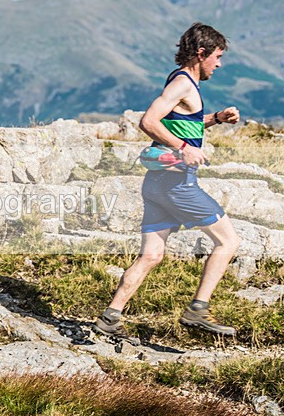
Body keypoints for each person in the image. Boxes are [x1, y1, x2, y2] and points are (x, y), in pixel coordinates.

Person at [94, 22, 241, 339]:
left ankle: (110, 317)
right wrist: (184, 148)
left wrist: (215, 119)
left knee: (151, 255)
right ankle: (197, 310)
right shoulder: (184, 84)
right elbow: (148, 121)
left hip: (157, 184)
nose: (219, 63)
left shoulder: (182, 82)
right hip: (177, 185)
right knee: (229, 242)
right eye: (217, 56)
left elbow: (180, 122)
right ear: (201, 54)